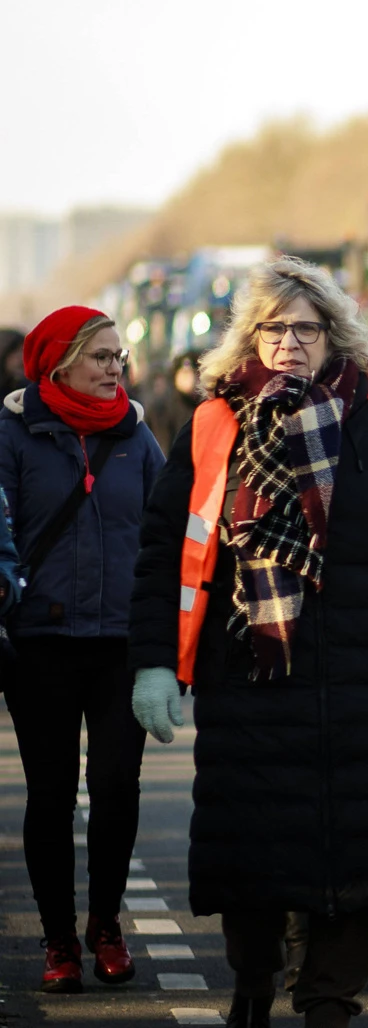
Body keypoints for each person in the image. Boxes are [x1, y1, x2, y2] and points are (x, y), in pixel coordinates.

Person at [127, 257, 368, 1028]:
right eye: (277, 329)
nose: (293, 344)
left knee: (356, 864)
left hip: (363, 683)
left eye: (308, 329)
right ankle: (253, 986)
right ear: (251, 338)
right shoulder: (212, 428)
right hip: (250, 679)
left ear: (335, 335)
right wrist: (156, 664)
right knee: (252, 862)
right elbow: (166, 553)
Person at [0, 306, 162, 993]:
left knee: (117, 788)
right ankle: (59, 938)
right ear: (58, 362)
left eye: (119, 357)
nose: (115, 369)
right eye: (100, 357)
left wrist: (166, 637)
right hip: (39, 643)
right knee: (51, 795)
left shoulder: (137, 436)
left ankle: (105, 925)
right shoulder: (12, 433)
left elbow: (164, 535)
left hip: (120, 643)